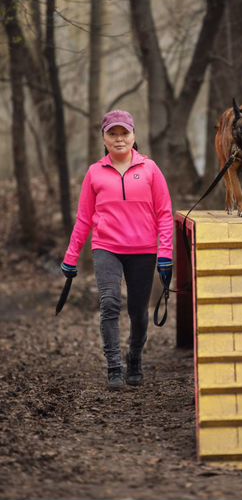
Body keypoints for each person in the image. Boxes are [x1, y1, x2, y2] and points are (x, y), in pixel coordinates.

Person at [61, 110, 174, 391]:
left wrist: (165, 254)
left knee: (138, 311)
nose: (119, 138)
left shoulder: (150, 169)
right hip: (106, 247)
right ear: (104, 138)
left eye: (124, 133)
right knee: (109, 303)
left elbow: (165, 214)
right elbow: (84, 218)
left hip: (143, 249)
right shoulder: (94, 172)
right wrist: (71, 256)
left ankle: (134, 357)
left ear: (134, 136)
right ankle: (114, 366)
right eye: (113, 133)